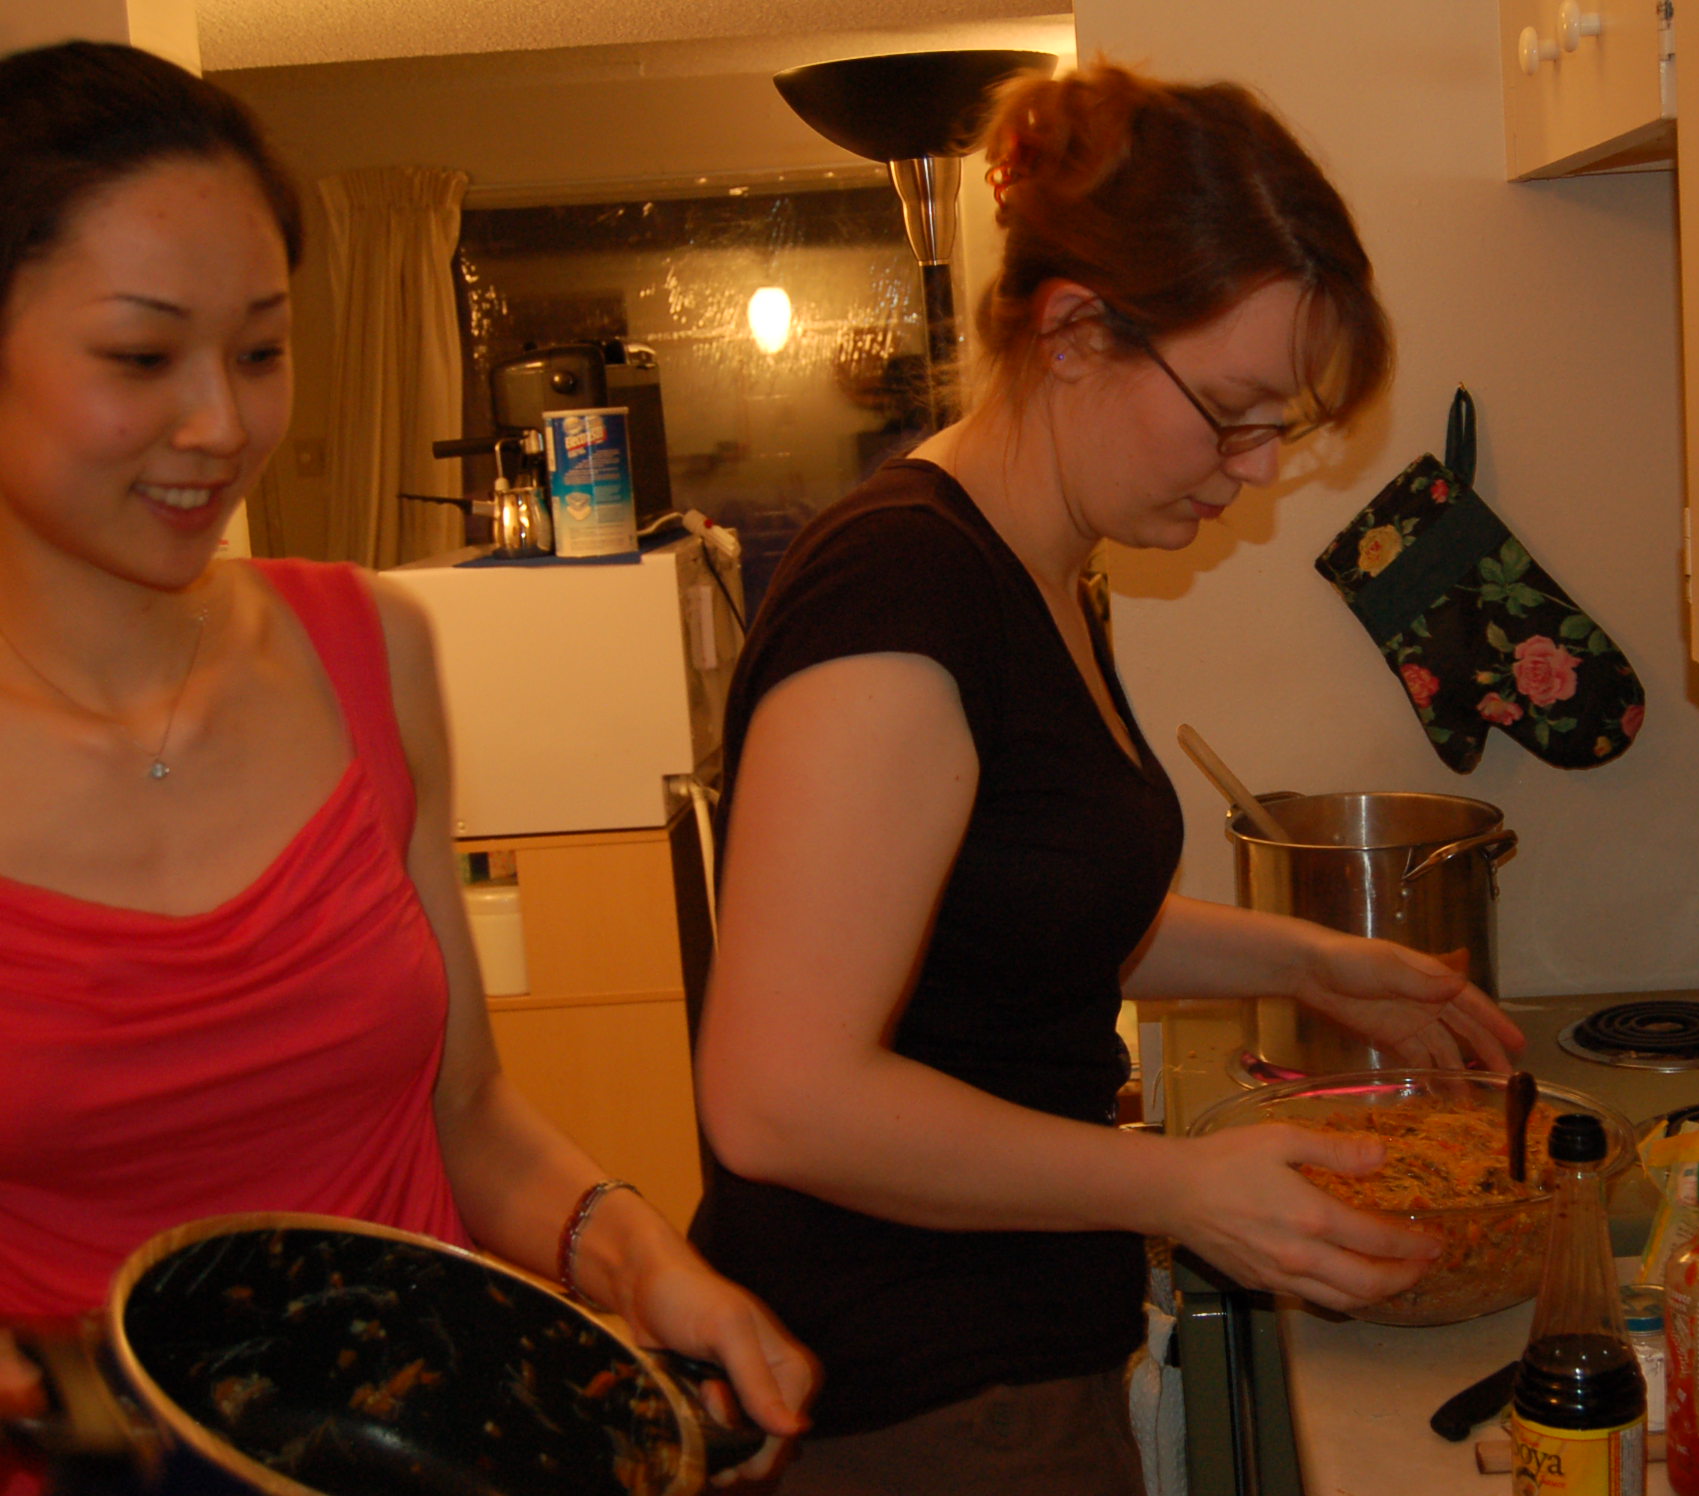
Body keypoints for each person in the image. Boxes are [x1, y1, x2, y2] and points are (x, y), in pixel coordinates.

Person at [691, 62, 1525, 1495]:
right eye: (1234, 412)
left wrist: (1318, 961)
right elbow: (778, 1098)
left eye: (1280, 429)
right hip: (903, 1400)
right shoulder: (900, 600)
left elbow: (1008, 920)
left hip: (996, 1356)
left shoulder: (1043, 576)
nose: (1253, 471)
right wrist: (1179, 1188)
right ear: (1076, 331)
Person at [0, 42, 815, 1493]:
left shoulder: (367, 651)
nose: (223, 425)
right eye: (140, 357)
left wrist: (640, 1260)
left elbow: (467, 1113)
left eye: (261, 351)